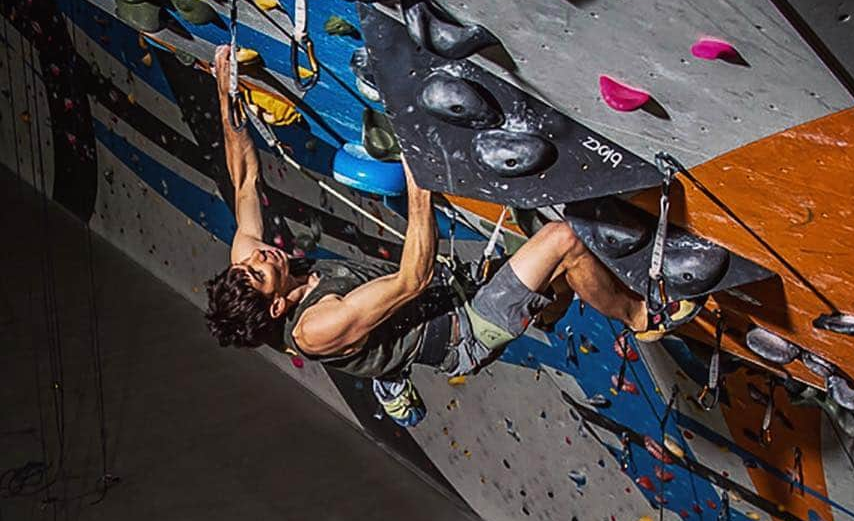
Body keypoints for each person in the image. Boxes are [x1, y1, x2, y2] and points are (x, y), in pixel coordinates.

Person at [203, 46, 700, 425]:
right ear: (276, 307)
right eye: (261, 271)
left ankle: (400, 364)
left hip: (415, 306)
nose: (262, 255)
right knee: (563, 240)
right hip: (461, 329)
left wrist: (227, 99)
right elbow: (412, 279)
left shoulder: (253, 267)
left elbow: (245, 179)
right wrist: (417, 169)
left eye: (248, 262)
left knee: (542, 288)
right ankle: (642, 315)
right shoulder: (316, 328)